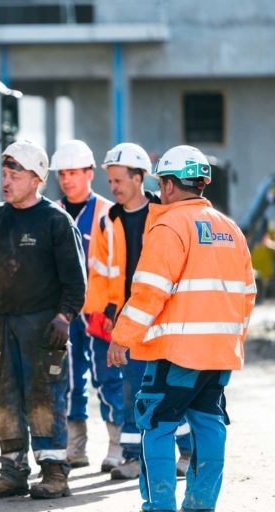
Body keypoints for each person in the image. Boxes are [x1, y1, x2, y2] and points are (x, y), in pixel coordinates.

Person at [107, 145, 256, 512]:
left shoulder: (169, 225)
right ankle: (200, 506)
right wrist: (229, 340)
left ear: (170, 186)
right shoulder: (230, 229)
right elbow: (247, 294)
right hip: (218, 355)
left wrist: (121, 338)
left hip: (175, 353)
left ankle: (160, 507)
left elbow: (148, 293)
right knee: (209, 425)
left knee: (157, 424)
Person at [0, 140, 87, 500]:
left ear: (37, 178)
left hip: (43, 329)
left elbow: (76, 279)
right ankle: (13, 472)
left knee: (45, 398)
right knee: (5, 399)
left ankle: (54, 473)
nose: (5, 181)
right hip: (3, 325)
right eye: (3, 173)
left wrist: (64, 316)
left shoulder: (55, 221)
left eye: (14, 174)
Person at [85, 142, 193, 480]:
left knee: (170, 389)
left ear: (138, 178)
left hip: (163, 318)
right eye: (111, 181)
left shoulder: (165, 213)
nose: (113, 187)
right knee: (134, 388)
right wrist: (101, 312)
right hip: (127, 320)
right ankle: (132, 456)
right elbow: (100, 271)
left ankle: (189, 452)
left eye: (118, 180)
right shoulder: (108, 221)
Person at [50, 139, 122, 471]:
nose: (67, 180)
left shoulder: (109, 213)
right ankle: (75, 446)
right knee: (69, 380)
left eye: (74, 172)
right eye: (62, 174)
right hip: (64, 313)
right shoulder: (51, 213)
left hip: (99, 313)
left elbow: (118, 267)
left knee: (108, 378)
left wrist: (112, 310)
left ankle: (118, 444)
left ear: (90, 173)